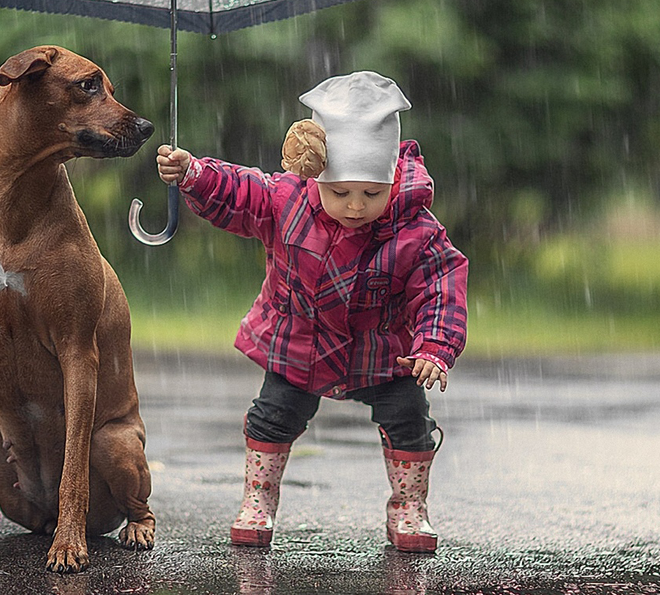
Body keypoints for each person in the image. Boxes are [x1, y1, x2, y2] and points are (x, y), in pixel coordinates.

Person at [156, 70, 468, 553]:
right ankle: (258, 498)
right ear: (319, 175)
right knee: (271, 417)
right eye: (340, 192)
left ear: (391, 181)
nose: (356, 206)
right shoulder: (287, 200)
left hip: (384, 352)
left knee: (409, 417)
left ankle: (409, 508)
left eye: (372, 193)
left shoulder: (416, 229)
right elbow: (240, 190)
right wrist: (195, 174)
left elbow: (442, 285)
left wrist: (435, 345)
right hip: (298, 342)